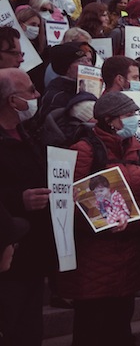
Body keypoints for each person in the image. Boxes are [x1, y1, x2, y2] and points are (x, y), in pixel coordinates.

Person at [57, 92, 140, 346]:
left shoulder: (137, 147)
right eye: (129, 115)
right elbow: (70, 200)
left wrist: (136, 218)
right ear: (110, 120)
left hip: (129, 256)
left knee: (121, 327)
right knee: (92, 330)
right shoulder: (84, 150)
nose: (134, 119)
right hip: (95, 259)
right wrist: (107, 222)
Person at [0, 68, 50, 346]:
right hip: (7, 256)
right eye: (30, 90)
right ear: (11, 101)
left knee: (31, 330)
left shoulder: (28, 131)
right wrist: (19, 200)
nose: (37, 95)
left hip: (34, 252)